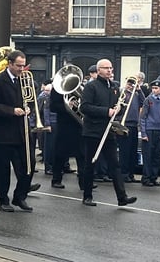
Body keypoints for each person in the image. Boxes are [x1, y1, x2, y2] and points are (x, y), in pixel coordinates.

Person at [79, 58, 137, 207]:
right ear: (98, 70)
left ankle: (122, 197)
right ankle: (87, 196)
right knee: (90, 164)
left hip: (108, 130)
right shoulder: (91, 87)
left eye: (111, 68)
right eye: (106, 68)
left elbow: (117, 106)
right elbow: (84, 107)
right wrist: (106, 111)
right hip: (92, 131)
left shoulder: (114, 87)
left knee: (114, 164)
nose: (109, 70)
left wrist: (119, 109)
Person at [0, 50, 34, 212]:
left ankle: (20, 197)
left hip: (22, 132)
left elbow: (30, 101)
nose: (22, 69)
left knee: (29, 166)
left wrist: (29, 109)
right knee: (3, 169)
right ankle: (3, 200)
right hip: (4, 133)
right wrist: (12, 111)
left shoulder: (24, 80)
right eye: (18, 66)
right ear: (10, 64)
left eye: (23, 66)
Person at [49, 77, 86, 190]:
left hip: (78, 125)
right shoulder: (57, 89)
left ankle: (84, 182)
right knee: (60, 154)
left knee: (82, 154)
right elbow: (53, 107)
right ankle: (56, 179)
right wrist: (67, 106)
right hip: (64, 125)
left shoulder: (80, 88)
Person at [140, 79, 160, 187]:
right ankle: (146, 177)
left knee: (157, 156)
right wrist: (143, 133)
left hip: (159, 130)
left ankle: (154, 177)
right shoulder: (148, 100)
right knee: (148, 155)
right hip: (149, 130)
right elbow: (143, 117)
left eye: (156, 88)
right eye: (153, 88)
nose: (154, 90)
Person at [117, 76, 143, 183]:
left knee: (133, 151)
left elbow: (143, 102)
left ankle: (131, 174)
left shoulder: (136, 94)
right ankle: (124, 174)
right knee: (125, 151)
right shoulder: (122, 93)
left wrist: (139, 89)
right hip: (125, 124)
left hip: (134, 125)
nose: (130, 85)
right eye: (129, 83)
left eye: (131, 83)